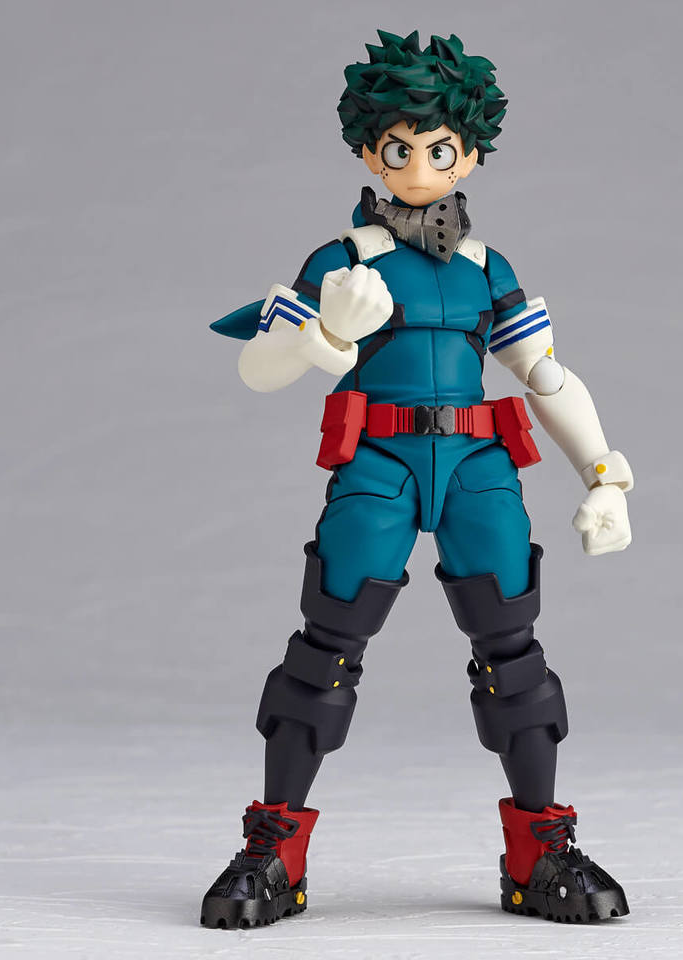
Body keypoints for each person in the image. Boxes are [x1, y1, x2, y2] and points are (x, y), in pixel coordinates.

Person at [201, 30, 634, 929]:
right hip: (381, 462)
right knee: (327, 643)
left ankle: (540, 850)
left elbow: (545, 375)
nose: (420, 167)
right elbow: (259, 369)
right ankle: (275, 849)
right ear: (369, 153)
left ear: (469, 154)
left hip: (477, 465)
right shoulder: (343, 260)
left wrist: (604, 473)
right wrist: (330, 333)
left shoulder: (487, 267)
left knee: (513, 650)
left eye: (440, 150)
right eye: (399, 150)